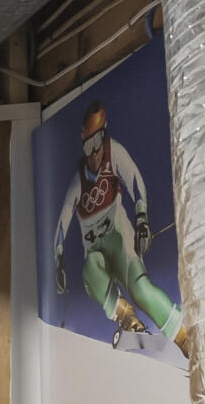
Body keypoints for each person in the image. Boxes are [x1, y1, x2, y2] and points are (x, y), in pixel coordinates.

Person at [53, 103, 186, 351]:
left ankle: (183, 337)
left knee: (140, 288)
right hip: (98, 254)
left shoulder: (114, 153)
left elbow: (136, 182)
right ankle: (128, 320)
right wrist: (58, 259)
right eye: (87, 147)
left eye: (97, 144)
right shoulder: (78, 181)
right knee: (90, 268)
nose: (93, 154)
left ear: (104, 136)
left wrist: (142, 219)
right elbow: (62, 223)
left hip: (120, 240)